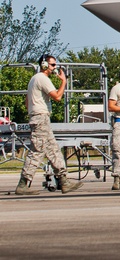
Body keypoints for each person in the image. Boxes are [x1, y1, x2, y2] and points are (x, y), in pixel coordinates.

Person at [15, 54, 83, 195]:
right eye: (52, 65)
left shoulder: (33, 79)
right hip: (41, 119)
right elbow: (57, 96)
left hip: (39, 118)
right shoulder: (42, 78)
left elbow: (27, 102)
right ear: (44, 65)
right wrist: (63, 82)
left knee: (53, 150)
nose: (54, 68)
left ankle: (63, 181)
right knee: (37, 152)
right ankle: (23, 184)